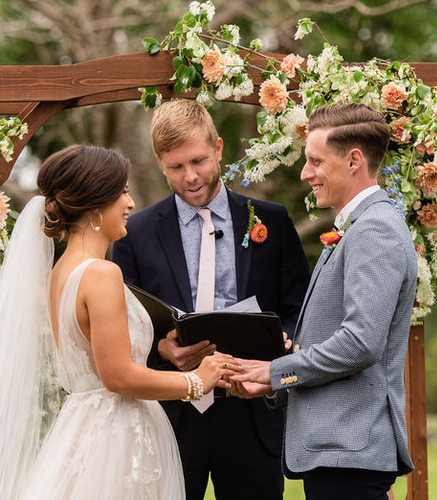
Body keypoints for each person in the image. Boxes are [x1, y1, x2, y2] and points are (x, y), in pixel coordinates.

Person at [0, 144, 241, 500]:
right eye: (122, 191)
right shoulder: (101, 273)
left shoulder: (60, 273)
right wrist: (197, 381)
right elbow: (117, 375)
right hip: (116, 439)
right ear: (95, 203)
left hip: (82, 427)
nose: (130, 203)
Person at [112, 99, 310, 500]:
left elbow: (298, 311)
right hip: (170, 418)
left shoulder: (271, 220)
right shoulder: (135, 233)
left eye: (199, 161)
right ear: (159, 162)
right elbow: (123, 326)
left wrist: (281, 350)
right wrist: (163, 352)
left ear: (218, 148)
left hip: (252, 415)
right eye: (176, 167)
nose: (190, 177)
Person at [230, 103, 417, 500]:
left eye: (315, 160)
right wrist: (271, 380)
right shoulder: (359, 226)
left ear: (354, 160)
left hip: (349, 453)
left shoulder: (375, 230)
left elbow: (360, 343)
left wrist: (275, 371)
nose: (304, 173)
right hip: (337, 455)